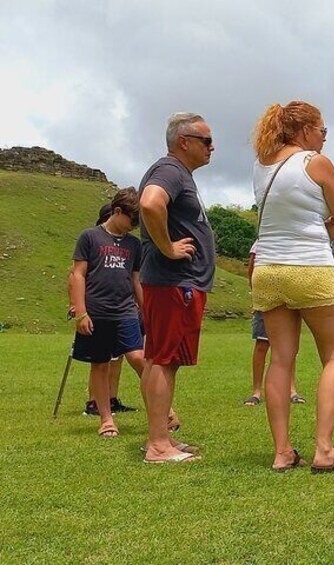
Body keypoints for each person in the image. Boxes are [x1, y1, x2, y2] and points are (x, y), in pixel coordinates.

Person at [251, 101, 334, 473]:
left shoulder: (261, 166)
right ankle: (324, 449)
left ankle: (282, 452)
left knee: (281, 358)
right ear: (305, 129)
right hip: (309, 266)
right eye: (323, 130)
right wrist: (333, 226)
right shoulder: (316, 163)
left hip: (266, 269)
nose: (325, 138)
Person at [138, 112, 216, 463]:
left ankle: (161, 438)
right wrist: (168, 247)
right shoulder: (170, 170)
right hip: (174, 282)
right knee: (166, 360)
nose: (212, 147)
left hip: (170, 283)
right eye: (206, 141)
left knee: (158, 358)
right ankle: (158, 445)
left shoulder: (177, 173)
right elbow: (150, 203)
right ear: (183, 142)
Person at [67, 189, 144, 438]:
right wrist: (80, 312)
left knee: (139, 358)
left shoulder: (134, 244)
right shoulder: (90, 237)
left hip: (126, 312)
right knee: (100, 365)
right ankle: (106, 420)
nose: (134, 227)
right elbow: (77, 275)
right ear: (118, 211)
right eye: (132, 220)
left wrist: (147, 311)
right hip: (96, 313)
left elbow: (137, 281)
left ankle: (166, 411)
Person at [244, 241, 305, 406]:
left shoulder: (295, 240)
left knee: (289, 348)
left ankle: (291, 389)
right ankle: (256, 391)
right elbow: (252, 269)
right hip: (266, 299)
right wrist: (257, 295)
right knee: (262, 344)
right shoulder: (262, 242)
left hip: (290, 299)